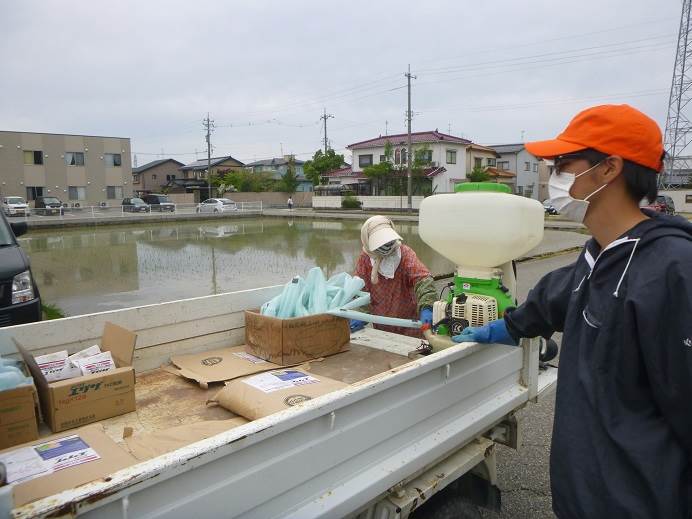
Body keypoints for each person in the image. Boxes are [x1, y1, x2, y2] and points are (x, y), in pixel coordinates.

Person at [454, 104, 692, 518]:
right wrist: (496, 329)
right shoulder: (593, 260)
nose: (554, 175)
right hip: (580, 495)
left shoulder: (673, 269)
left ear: (609, 169)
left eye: (564, 163)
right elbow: (541, 309)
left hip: (643, 502)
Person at [352, 215, 436, 337]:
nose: (386, 246)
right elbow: (360, 290)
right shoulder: (365, 259)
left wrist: (427, 306)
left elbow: (423, 280)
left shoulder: (404, 254)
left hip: (410, 326)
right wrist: (359, 314)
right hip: (381, 328)